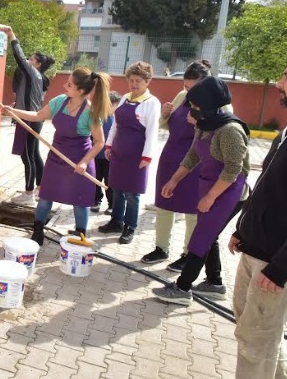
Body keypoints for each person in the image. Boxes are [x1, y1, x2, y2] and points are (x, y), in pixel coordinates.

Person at [209, 67, 287, 379]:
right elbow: (267, 188)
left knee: (259, 330)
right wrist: (243, 228)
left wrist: (281, 267)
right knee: (250, 323)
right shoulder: (284, 132)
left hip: (276, 260)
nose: (280, 83)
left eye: (286, 77)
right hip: (256, 245)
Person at [152, 76, 250, 306]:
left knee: (201, 237)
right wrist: (174, 180)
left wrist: (210, 197)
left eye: (195, 107)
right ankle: (215, 283)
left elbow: (234, 169)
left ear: (208, 106)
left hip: (230, 191)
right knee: (208, 235)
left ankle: (183, 288)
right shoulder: (205, 125)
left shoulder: (230, 130)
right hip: (211, 185)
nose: (191, 111)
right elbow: (193, 155)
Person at [4, 67, 112, 244]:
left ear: (81, 91)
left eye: (69, 84)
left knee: (80, 201)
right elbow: (38, 116)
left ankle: (80, 237)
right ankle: (37, 232)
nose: (64, 86)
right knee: (46, 197)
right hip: (56, 156)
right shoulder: (60, 101)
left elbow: (100, 141)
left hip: (79, 160)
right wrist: (14, 111)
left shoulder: (90, 112)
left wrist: (84, 162)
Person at [142, 60, 213, 268]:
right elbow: (166, 124)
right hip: (171, 157)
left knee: (192, 211)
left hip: (196, 162)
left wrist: (200, 122)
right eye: (186, 86)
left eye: (193, 87)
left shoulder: (218, 101)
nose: (188, 91)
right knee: (164, 204)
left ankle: (187, 254)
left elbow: (219, 134)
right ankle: (161, 248)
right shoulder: (182, 97)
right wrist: (165, 114)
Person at [99, 61, 161, 244]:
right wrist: (109, 146)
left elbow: (152, 131)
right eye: (131, 80)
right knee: (116, 188)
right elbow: (115, 125)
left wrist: (147, 156)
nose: (134, 84)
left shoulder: (152, 103)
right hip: (119, 152)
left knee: (132, 194)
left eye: (138, 81)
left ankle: (130, 226)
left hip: (137, 155)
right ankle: (116, 221)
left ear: (147, 82)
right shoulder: (125, 98)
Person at [7, 28, 55, 205]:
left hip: (29, 120)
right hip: (33, 117)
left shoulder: (33, 73)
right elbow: (28, 97)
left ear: (38, 64)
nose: (28, 60)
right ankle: (40, 187)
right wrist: (17, 106)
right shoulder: (38, 77)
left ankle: (28, 194)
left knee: (26, 156)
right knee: (33, 153)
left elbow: (19, 57)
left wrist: (13, 37)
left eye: (32, 59)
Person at [91, 91, 121, 214]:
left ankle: (111, 204)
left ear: (116, 106)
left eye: (111, 105)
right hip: (97, 155)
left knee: (110, 182)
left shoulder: (118, 121)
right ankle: (96, 201)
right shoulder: (97, 118)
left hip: (111, 158)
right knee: (95, 180)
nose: (108, 107)